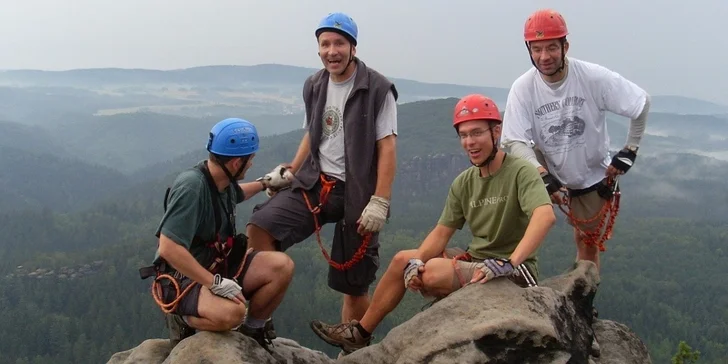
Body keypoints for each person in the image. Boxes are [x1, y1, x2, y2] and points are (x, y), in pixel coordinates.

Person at [308, 94, 556, 355]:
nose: (469, 142)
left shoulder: (521, 172)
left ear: (496, 132)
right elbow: (441, 232)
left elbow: (544, 216)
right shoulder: (465, 181)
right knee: (403, 260)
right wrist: (416, 262)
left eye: (477, 133)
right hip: (479, 261)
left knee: (434, 272)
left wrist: (511, 262)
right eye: (463, 135)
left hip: (514, 272)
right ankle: (360, 333)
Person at [245, 11, 399, 336]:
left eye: (339, 43)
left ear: (353, 47)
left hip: (358, 192)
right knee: (260, 227)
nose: (332, 51)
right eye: (325, 44)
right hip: (315, 183)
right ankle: (258, 320)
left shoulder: (378, 89)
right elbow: (312, 135)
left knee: (355, 282)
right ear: (318, 50)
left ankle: (352, 344)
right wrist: (290, 169)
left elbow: (387, 147)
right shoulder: (315, 85)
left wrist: (380, 201)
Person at [501, 8, 650, 271]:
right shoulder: (523, 88)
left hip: (589, 175)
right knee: (517, 233)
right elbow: (514, 140)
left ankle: (584, 299)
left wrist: (630, 149)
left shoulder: (592, 77)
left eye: (551, 48)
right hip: (543, 168)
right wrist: (542, 174)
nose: (544, 57)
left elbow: (640, 102)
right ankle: (514, 280)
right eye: (536, 49)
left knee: (587, 241)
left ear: (565, 46)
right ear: (529, 50)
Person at [140, 117, 295, 352]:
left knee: (281, 266)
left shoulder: (219, 181)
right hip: (184, 277)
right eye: (250, 159)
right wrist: (213, 283)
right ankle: (182, 319)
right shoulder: (192, 187)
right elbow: (168, 248)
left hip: (218, 268)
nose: (252, 164)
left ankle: (251, 333)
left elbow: (237, 194)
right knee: (232, 314)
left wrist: (266, 183)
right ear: (235, 163)